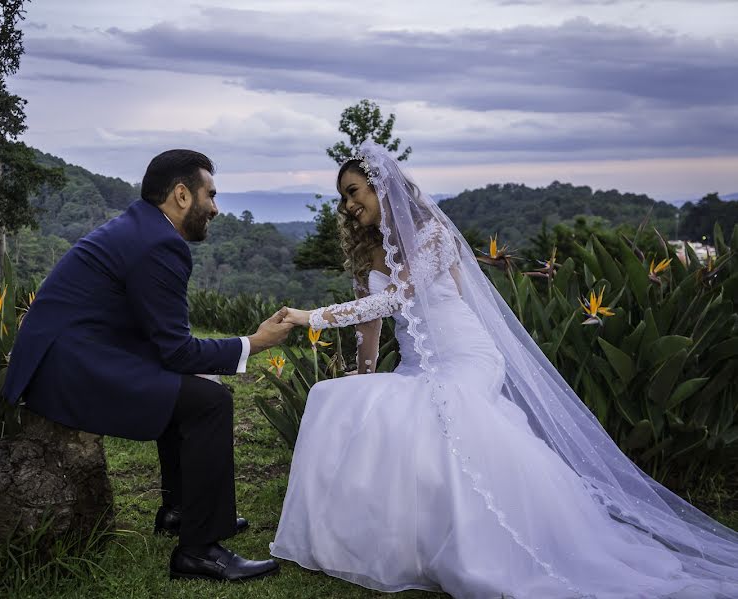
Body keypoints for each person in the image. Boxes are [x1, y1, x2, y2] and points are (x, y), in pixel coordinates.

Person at [270, 141, 738, 597]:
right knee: (341, 398)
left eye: (354, 192)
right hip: (418, 365)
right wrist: (365, 371)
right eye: (343, 197)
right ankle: (392, 543)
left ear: (381, 188)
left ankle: (494, 545)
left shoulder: (431, 233)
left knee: (443, 418)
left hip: (466, 357)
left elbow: (399, 298)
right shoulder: (368, 254)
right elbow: (370, 323)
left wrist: (312, 317)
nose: (348, 205)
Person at [4, 149, 289, 582]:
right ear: (180, 195)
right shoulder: (160, 243)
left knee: (186, 388)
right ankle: (200, 549)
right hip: (67, 370)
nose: (214, 207)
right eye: (209, 195)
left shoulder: (140, 228)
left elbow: (161, 340)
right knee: (209, 401)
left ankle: (181, 511)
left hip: (68, 357)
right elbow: (176, 351)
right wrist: (255, 342)